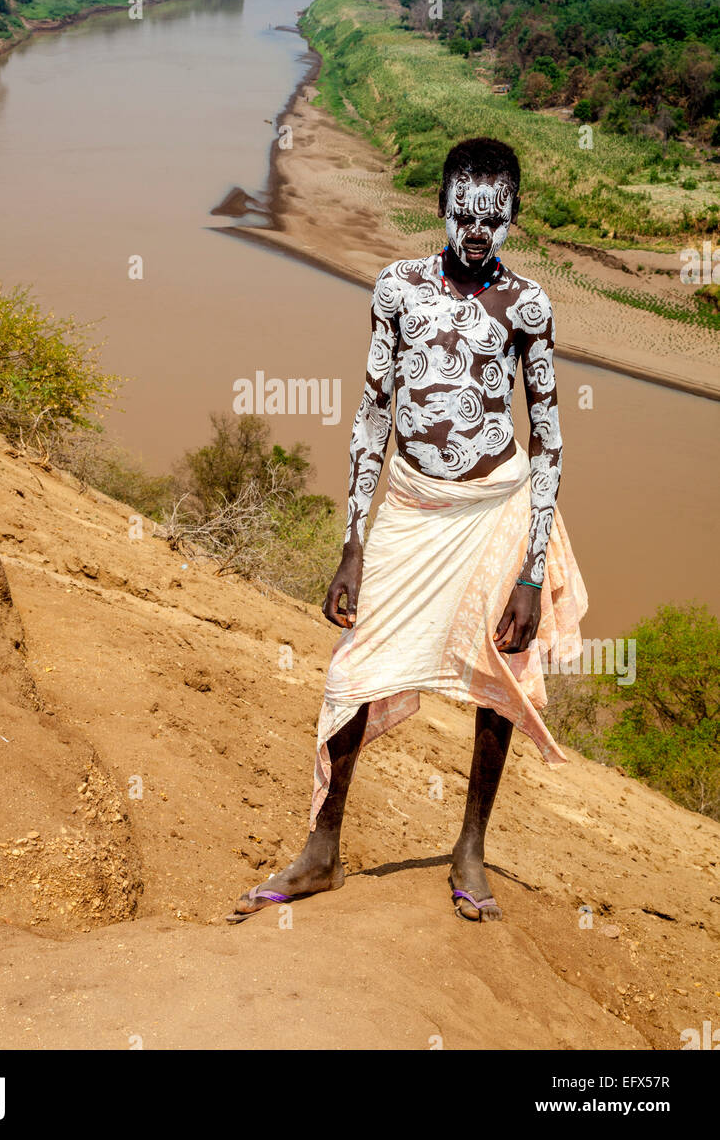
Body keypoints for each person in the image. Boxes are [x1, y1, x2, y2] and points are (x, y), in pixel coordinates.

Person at [228, 137, 586, 925]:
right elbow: (373, 417)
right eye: (464, 213)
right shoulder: (398, 289)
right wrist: (353, 545)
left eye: (493, 217)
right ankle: (322, 848)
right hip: (411, 508)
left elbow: (551, 439)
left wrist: (531, 571)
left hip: (497, 506)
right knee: (349, 673)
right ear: (442, 208)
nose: (477, 231)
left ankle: (469, 848)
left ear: (514, 217)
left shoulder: (528, 306)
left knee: (498, 680)